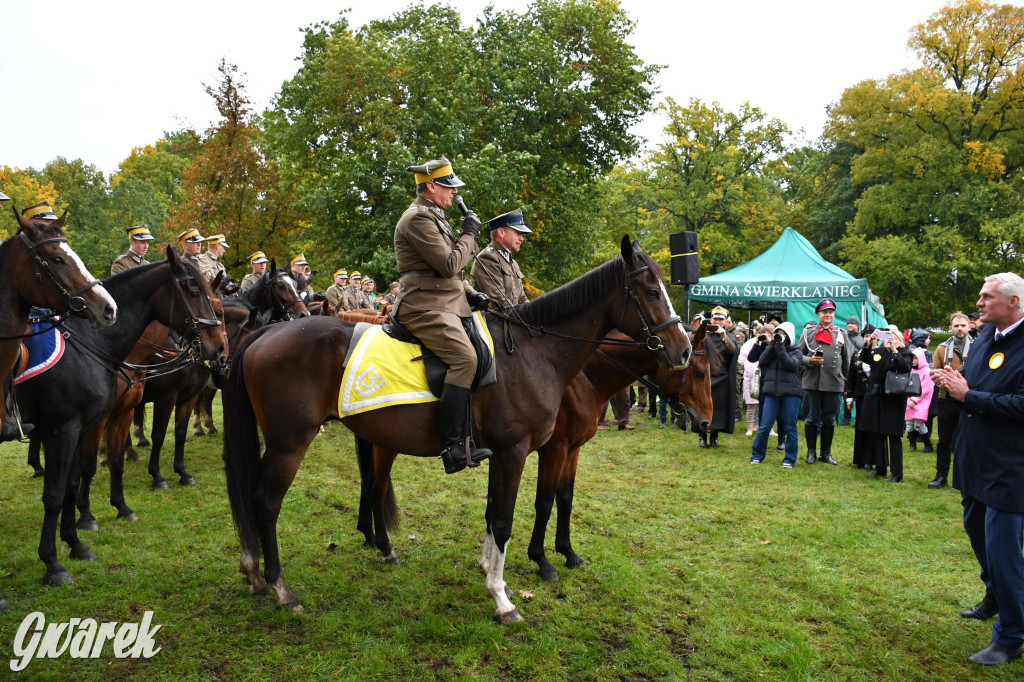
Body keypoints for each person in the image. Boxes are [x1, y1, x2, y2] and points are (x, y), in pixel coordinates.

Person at [932, 272, 1024, 666]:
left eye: (987, 297)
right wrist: (953, 379)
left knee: (1003, 550)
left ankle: (1011, 636)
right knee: (978, 534)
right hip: (975, 457)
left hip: (1010, 465)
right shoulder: (986, 335)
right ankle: (997, 594)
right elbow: (974, 382)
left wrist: (969, 395)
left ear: (1013, 302)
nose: (979, 303)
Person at [392, 157, 491, 474]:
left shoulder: (436, 217)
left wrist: (469, 292)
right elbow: (449, 264)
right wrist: (470, 234)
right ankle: (452, 447)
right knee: (465, 359)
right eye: (450, 187)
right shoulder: (417, 219)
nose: (455, 193)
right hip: (424, 306)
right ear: (431, 186)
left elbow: (449, 274)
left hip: (446, 302)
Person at [797, 298, 853, 465]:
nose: (828, 315)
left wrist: (847, 386)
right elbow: (797, 356)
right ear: (818, 314)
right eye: (824, 312)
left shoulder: (841, 334)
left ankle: (826, 453)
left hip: (834, 383)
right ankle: (811, 452)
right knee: (811, 419)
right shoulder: (808, 332)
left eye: (831, 312)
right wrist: (809, 361)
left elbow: (847, 362)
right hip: (812, 381)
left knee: (829, 420)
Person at [858, 325, 913, 482]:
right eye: (888, 337)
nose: (890, 340)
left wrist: (894, 351)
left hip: (894, 398)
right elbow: (865, 358)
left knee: (893, 435)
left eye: (893, 337)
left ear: (899, 339)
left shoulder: (905, 352)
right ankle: (880, 467)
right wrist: (870, 342)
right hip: (877, 395)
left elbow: (905, 368)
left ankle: (897, 472)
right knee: (877, 432)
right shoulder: (880, 351)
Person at [928, 312, 972, 489]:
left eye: (963, 325)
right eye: (956, 326)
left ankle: (965, 476)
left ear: (969, 327)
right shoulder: (942, 348)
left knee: (967, 440)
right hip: (946, 398)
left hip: (969, 399)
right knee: (944, 440)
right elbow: (933, 372)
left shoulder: (977, 347)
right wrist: (941, 378)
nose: (960, 329)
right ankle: (941, 475)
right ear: (950, 328)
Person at [749, 322, 802, 467]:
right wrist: (772, 344)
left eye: (783, 334)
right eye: (778, 334)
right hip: (772, 392)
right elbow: (762, 360)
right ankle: (757, 455)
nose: (780, 337)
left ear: (789, 336)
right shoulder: (773, 348)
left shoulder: (796, 351)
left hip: (791, 393)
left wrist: (779, 346)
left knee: (790, 426)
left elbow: (790, 364)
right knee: (765, 425)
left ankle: (789, 459)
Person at [470, 208, 531, 311]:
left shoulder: (513, 263)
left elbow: (522, 299)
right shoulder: (487, 258)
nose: (522, 238)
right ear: (501, 232)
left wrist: (534, 314)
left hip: (511, 318)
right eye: (518, 233)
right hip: (493, 319)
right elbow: (498, 303)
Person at [700, 306, 738, 448]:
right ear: (711, 320)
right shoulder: (704, 336)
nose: (717, 322)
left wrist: (723, 337)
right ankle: (702, 435)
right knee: (703, 407)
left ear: (725, 321)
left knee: (719, 408)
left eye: (720, 319)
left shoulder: (729, 337)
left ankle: (714, 436)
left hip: (722, 378)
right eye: (715, 319)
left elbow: (732, 351)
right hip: (706, 377)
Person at [904, 335, 935, 454]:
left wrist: (914, 400)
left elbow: (925, 389)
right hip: (910, 401)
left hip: (921, 401)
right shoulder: (912, 371)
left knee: (919, 424)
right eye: (912, 358)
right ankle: (912, 444)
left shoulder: (927, 372)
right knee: (909, 424)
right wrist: (909, 399)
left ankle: (928, 445)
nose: (913, 360)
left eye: (915, 358)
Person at [840, 316, 865, 425]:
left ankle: (860, 419)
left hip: (858, 368)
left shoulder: (862, 337)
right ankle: (847, 418)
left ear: (857, 325)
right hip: (845, 368)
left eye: (852, 323)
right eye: (848, 323)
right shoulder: (843, 336)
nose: (849, 325)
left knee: (859, 394)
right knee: (846, 393)